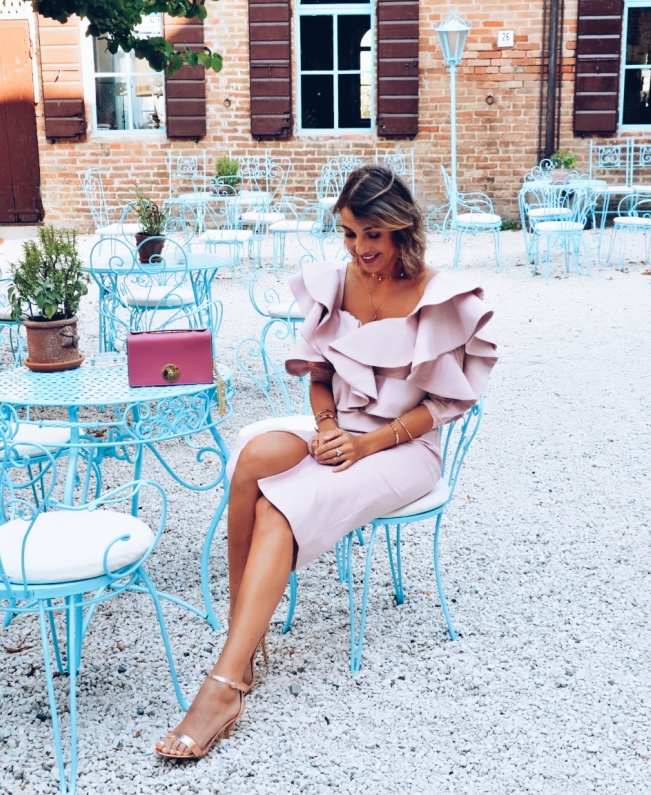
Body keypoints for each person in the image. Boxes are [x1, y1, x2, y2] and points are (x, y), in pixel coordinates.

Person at [156, 165, 497, 759]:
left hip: (403, 445)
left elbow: (446, 405)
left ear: (401, 229)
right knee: (253, 458)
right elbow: (319, 378)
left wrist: (367, 443)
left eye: (372, 235)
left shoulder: (438, 296)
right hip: (342, 429)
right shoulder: (336, 283)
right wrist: (329, 427)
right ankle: (246, 636)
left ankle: (225, 685)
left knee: (278, 510)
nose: (360, 249)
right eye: (348, 234)